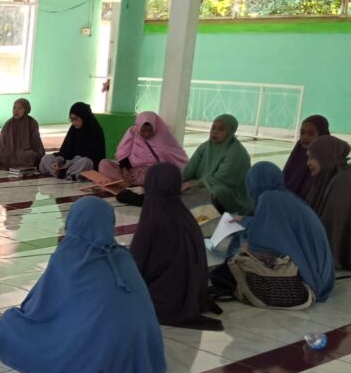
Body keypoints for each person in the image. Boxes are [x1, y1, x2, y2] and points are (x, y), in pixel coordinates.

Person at [0, 196, 166, 373]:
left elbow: (41, 307)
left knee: (11, 322)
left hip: (95, 352)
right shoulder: (123, 256)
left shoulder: (69, 256)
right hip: (139, 351)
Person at [215, 162, 335, 304]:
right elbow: (276, 229)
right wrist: (245, 221)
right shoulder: (285, 197)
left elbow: (263, 239)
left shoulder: (269, 198)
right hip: (321, 276)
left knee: (230, 268)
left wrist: (242, 230)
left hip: (306, 280)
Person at [130, 164, 221, 330]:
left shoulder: (153, 218)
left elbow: (135, 266)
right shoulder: (185, 215)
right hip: (193, 295)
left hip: (163, 299)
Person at [181, 114, 253, 215]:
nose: (215, 132)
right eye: (213, 128)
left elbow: (221, 179)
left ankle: (198, 214)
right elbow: (190, 168)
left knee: (215, 192)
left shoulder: (237, 153)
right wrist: (179, 181)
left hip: (229, 192)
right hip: (203, 184)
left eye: (220, 129)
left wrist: (193, 184)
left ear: (230, 132)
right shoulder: (205, 146)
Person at [98, 111, 188, 187]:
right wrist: (124, 169)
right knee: (104, 164)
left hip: (149, 172)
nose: (147, 134)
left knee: (157, 174)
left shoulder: (164, 136)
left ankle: (128, 183)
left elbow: (175, 159)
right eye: (143, 131)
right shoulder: (133, 132)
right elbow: (122, 152)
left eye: (149, 130)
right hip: (131, 170)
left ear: (155, 126)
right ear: (138, 127)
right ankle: (125, 181)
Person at [306, 136, 351, 270]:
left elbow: (334, 225)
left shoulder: (342, 182)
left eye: (312, 158)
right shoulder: (330, 177)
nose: (308, 163)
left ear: (325, 156)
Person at [38, 102, 105, 180]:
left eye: (75, 119)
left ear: (84, 116)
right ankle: (65, 173)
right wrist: (58, 161)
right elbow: (65, 151)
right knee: (46, 158)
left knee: (86, 162)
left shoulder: (95, 131)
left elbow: (92, 157)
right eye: (71, 120)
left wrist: (69, 163)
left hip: (80, 164)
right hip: (67, 164)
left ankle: (64, 173)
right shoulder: (73, 130)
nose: (73, 122)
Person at [0, 98, 45, 170]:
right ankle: (14, 161)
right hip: (8, 151)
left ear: (26, 109)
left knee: (31, 156)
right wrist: (4, 149)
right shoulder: (9, 123)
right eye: (14, 108)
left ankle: (12, 161)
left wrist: (29, 151)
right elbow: (0, 142)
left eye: (20, 108)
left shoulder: (32, 123)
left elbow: (36, 143)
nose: (16, 111)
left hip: (24, 152)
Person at [283, 115, 330, 200]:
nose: (305, 137)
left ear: (322, 135)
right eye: (302, 132)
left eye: (310, 133)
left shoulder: (328, 164)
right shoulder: (298, 153)